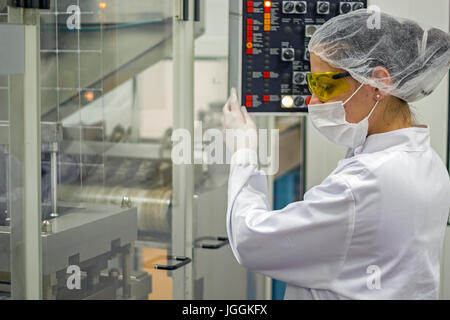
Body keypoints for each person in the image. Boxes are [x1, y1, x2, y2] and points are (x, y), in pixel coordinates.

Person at [222, 9, 450, 299]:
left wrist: (243, 154)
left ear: (378, 82)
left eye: (325, 85)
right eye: (312, 84)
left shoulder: (361, 185)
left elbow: (250, 240)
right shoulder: (428, 161)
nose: (313, 100)